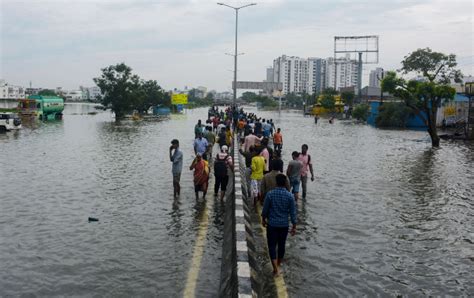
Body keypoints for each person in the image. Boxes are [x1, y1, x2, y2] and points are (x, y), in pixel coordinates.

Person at [261, 174, 297, 276]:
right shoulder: (290, 196)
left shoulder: (270, 194)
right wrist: (294, 226)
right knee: (281, 245)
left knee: (272, 246)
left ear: (276, 182)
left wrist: (263, 219)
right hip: (284, 225)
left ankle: (275, 268)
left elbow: (265, 210)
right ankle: (278, 264)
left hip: (272, 224)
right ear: (285, 183)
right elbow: (293, 213)